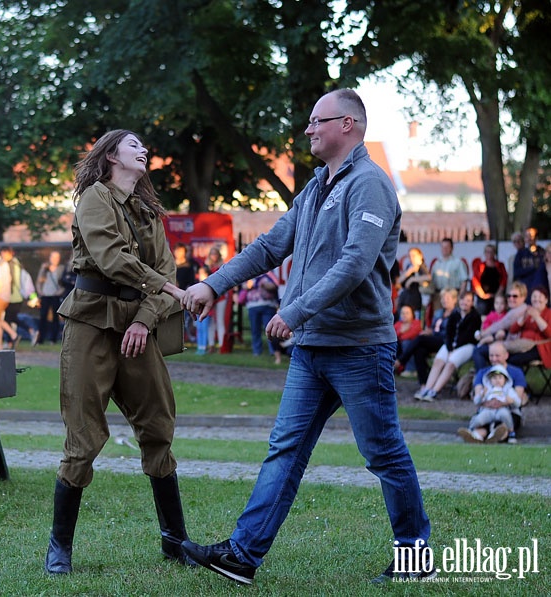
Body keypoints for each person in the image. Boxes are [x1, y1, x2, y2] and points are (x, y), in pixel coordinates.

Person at [180, 89, 432, 585]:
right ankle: (242, 556)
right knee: (285, 448)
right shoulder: (316, 187)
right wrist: (213, 284)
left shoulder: (370, 185)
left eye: (317, 121)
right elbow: (271, 246)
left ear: (348, 125)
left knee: (383, 453)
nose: (309, 130)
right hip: (312, 349)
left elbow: (356, 265)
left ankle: (415, 555)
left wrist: (293, 311)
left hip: (359, 348)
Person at [44, 129, 192, 574]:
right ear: (111, 155)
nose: (143, 150)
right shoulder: (94, 197)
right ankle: (59, 547)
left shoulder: (149, 210)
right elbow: (109, 258)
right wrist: (165, 287)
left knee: (158, 426)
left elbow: (166, 269)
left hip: (138, 327)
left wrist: (146, 320)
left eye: (143, 146)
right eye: (133, 146)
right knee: (84, 435)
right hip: (91, 323)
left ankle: (175, 540)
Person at [413, 291, 480, 402]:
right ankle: (427, 388)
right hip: (451, 345)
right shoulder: (455, 314)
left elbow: (468, 336)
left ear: (472, 302)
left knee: (450, 363)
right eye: (463, 300)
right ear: (459, 300)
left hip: (465, 346)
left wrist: (454, 348)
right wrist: (449, 347)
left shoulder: (475, 317)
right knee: (438, 361)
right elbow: (449, 333)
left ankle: (434, 391)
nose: (465, 303)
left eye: (468, 300)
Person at [464, 341, 527, 443]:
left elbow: (517, 398)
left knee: (503, 424)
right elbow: (478, 394)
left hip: (509, 410)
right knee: (481, 420)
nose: (494, 359)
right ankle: (477, 436)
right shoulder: (483, 373)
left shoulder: (516, 372)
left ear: (506, 355)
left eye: (497, 356)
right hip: (487, 408)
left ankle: (495, 435)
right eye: (491, 355)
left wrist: (503, 403)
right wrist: (487, 402)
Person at [396, 288, 457, 388]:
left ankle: (401, 361)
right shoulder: (439, 313)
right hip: (433, 339)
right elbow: (433, 328)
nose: (444, 300)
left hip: (445, 341)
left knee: (420, 339)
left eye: (447, 298)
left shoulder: (456, 314)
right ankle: (424, 384)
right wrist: (429, 331)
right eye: (443, 298)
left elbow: (451, 333)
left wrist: (432, 332)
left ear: (454, 299)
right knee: (419, 350)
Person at [471, 281, 529, 371]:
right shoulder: (517, 309)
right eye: (509, 296)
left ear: (523, 297)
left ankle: (483, 378)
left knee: (478, 351)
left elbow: (499, 325)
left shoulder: (518, 311)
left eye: (515, 296)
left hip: (514, 346)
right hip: (511, 343)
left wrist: (482, 335)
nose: (511, 298)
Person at [457, 365, 521, 443]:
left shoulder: (508, 390)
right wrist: (482, 396)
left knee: (506, 416)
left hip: (502, 409)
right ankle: (471, 430)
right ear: (489, 380)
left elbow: (518, 402)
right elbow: (477, 401)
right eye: (494, 378)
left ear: (505, 379)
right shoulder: (487, 389)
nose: (497, 380)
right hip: (488, 410)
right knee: (479, 419)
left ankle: (510, 433)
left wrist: (511, 401)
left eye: (500, 378)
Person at [237, 270, 281, 362]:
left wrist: (264, 285)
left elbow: (276, 285)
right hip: (253, 305)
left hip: (268, 305)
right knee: (255, 330)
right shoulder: (250, 273)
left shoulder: (269, 273)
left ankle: (274, 350)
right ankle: (257, 351)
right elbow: (243, 286)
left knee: (270, 329)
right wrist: (248, 286)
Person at [505, 286, 551, 370]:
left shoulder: (549, 313)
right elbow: (513, 330)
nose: (537, 299)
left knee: (514, 360)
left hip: (540, 348)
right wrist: (523, 318)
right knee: (504, 356)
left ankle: (517, 381)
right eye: (534, 296)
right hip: (521, 345)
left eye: (540, 297)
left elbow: (549, 334)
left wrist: (537, 318)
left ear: (546, 300)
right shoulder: (528, 312)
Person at [1, 246, 39, 347]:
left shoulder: (13, 265)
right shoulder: (13, 264)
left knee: (7, 320)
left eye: (5, 253)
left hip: (14, 297)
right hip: (11, 297)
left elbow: (25, 281)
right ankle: (15, 338)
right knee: (11, 318)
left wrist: (33, 297)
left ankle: (13, 339)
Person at [427, 237, 468, 316]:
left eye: (447, 247)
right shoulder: (437, 263)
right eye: (442, 247)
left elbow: (464, 280)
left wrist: (460, 297)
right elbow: (432, 281)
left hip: (453, 295)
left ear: (451, 248)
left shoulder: (458, 262)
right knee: (438, 317)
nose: (444, 249)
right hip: (438, 295)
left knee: (452, 317)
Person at [36, 250, 67, 344]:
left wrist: (60, 292)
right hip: (45, 295)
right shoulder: (45, 268)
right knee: (43, 317)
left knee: (55, 317)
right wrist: (40, 292)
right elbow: (39, 281)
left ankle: (53, 339)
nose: (55, 260)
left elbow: (64, 283)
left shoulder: (61, 269)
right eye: (53, 257)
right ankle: (40, 338)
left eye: (57, 257)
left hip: (55, 296)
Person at [471, 243, 507, 316]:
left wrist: (498, 293)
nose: (489, 254)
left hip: (497, 296)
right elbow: (475, 280)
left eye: (491, 252)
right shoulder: (480, 265)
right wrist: (482, 294)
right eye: (487, 252)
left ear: (494, 253)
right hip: (483, 297)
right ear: (484, 253)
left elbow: (504, 279)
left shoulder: (500, 265)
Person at [395, 247, 430, 320]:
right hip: (406, 301)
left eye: (414, 255)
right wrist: (409, 271)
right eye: (410, 256)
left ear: (420, 256)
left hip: (416, 303)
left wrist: (412, 279)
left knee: (415, 323)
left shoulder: (422, 266)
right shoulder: (409, 266)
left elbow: (428, 277)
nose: (411, 258)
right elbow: (399, 281)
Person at [173, 243, 198, 343]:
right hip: (170, 295)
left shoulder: (188, 266)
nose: (178, 253)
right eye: (177, 250)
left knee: (184, 319)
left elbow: (191, 282)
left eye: (181, 251)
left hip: (183, 295)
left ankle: (184, 339)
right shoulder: (170, 264)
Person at [204, 246, 227, 351]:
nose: (214, 256)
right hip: (210, 296)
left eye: (215, 254)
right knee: (210, 322)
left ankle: (222, 344)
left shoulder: (222, 267)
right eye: (212, 254)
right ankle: (211, 344)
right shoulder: (206, 267)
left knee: (220, 321)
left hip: (221, 297)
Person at [393, 304, 422, 376]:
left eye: (407, 313)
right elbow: (392, 335)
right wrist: (401, 332)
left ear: (412, 314)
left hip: (410, 347)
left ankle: (411, 370)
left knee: (406, 343)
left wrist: (400, 334)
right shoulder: (398, 324)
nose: (404, 315)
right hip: (398, 346)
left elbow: (412, 334)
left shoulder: (416, 323)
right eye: (403, 313)